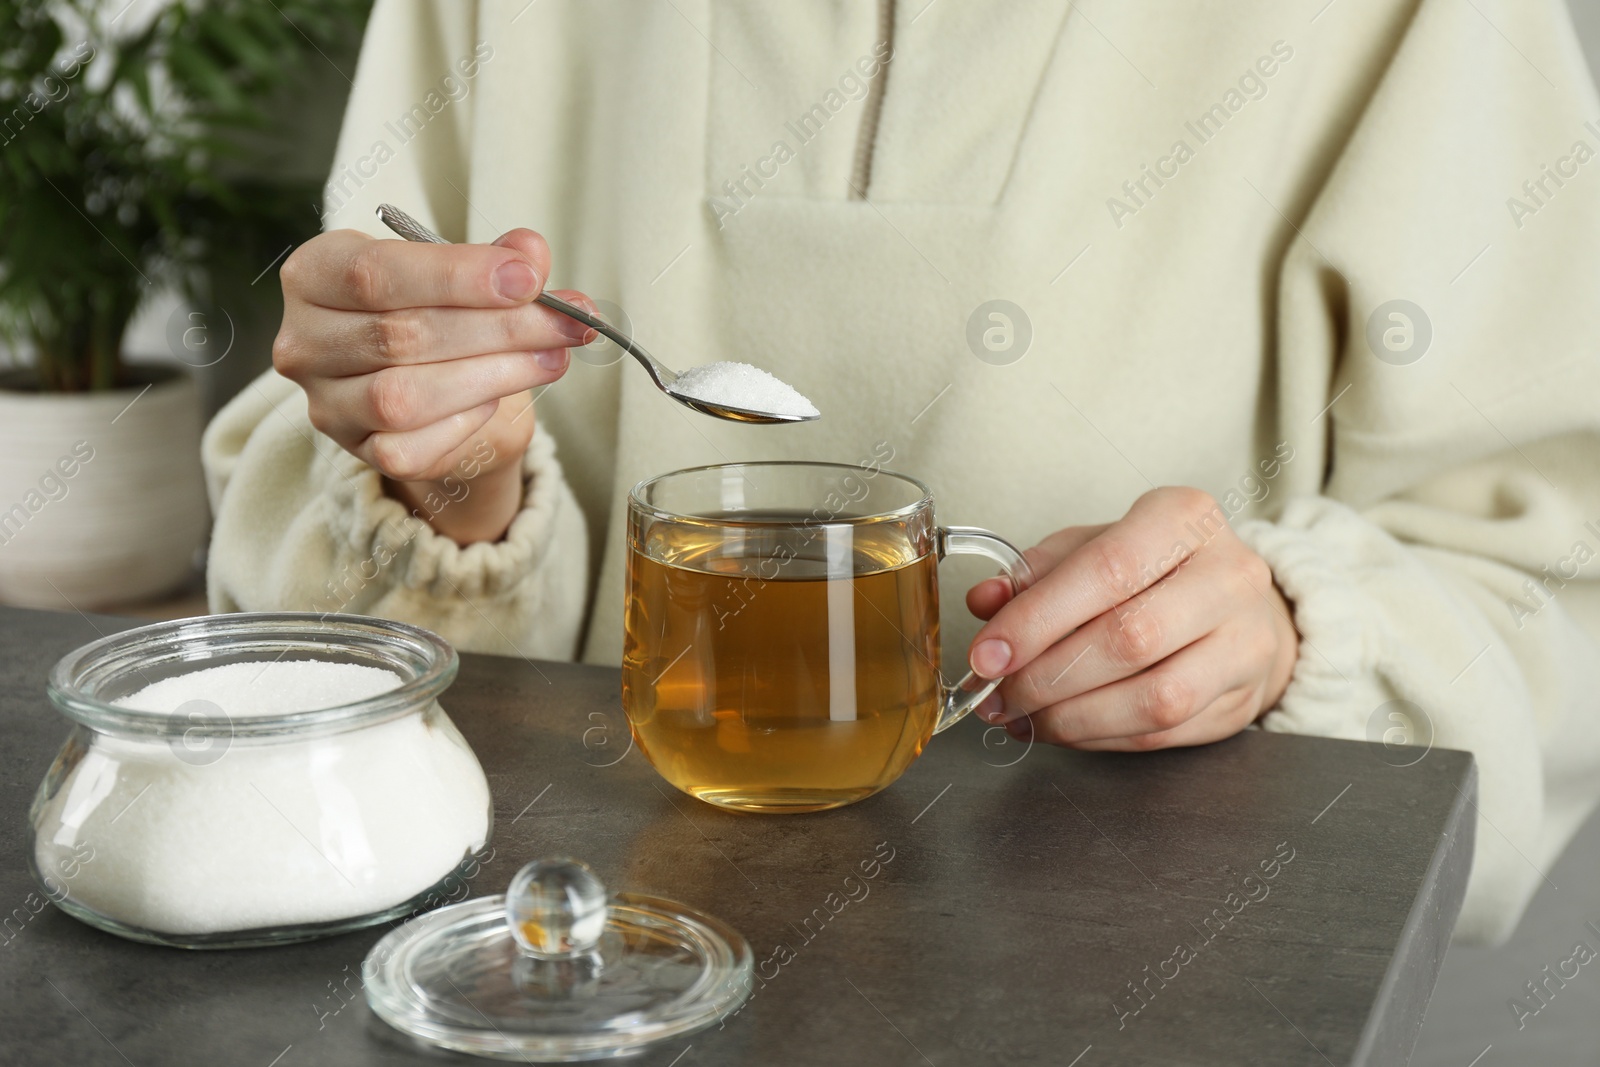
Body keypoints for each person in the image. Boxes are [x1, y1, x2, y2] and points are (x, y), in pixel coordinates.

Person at [204, 0, 1600, 946]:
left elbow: (1551, 574)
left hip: (1138, 983)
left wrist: (1298, 636)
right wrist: (446, 491)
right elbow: (313, 589)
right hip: (569, 970)